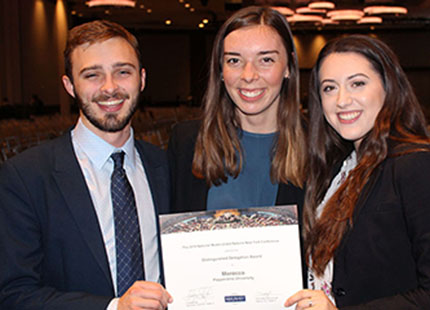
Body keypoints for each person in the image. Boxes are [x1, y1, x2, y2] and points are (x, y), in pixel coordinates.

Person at [0, 20, 172, 310]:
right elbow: (14, 293)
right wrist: (114, 307)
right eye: (92, 75)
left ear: (141, 79)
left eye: (123, 72)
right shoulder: (25, 177)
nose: (110, 88)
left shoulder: (166, 167)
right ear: (69, 86)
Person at [285, 35, 430, 309]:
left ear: (389, 87)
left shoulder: (421, 164)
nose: (342, 100)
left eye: (357, 83)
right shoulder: (338, 168)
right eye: (329, 88)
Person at [168, 6, 307, 215]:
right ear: (221, 70)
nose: (248, 75)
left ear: (288, 66)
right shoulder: (186, 142)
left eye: (266, 60)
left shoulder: (318, 147)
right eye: (234, 60)